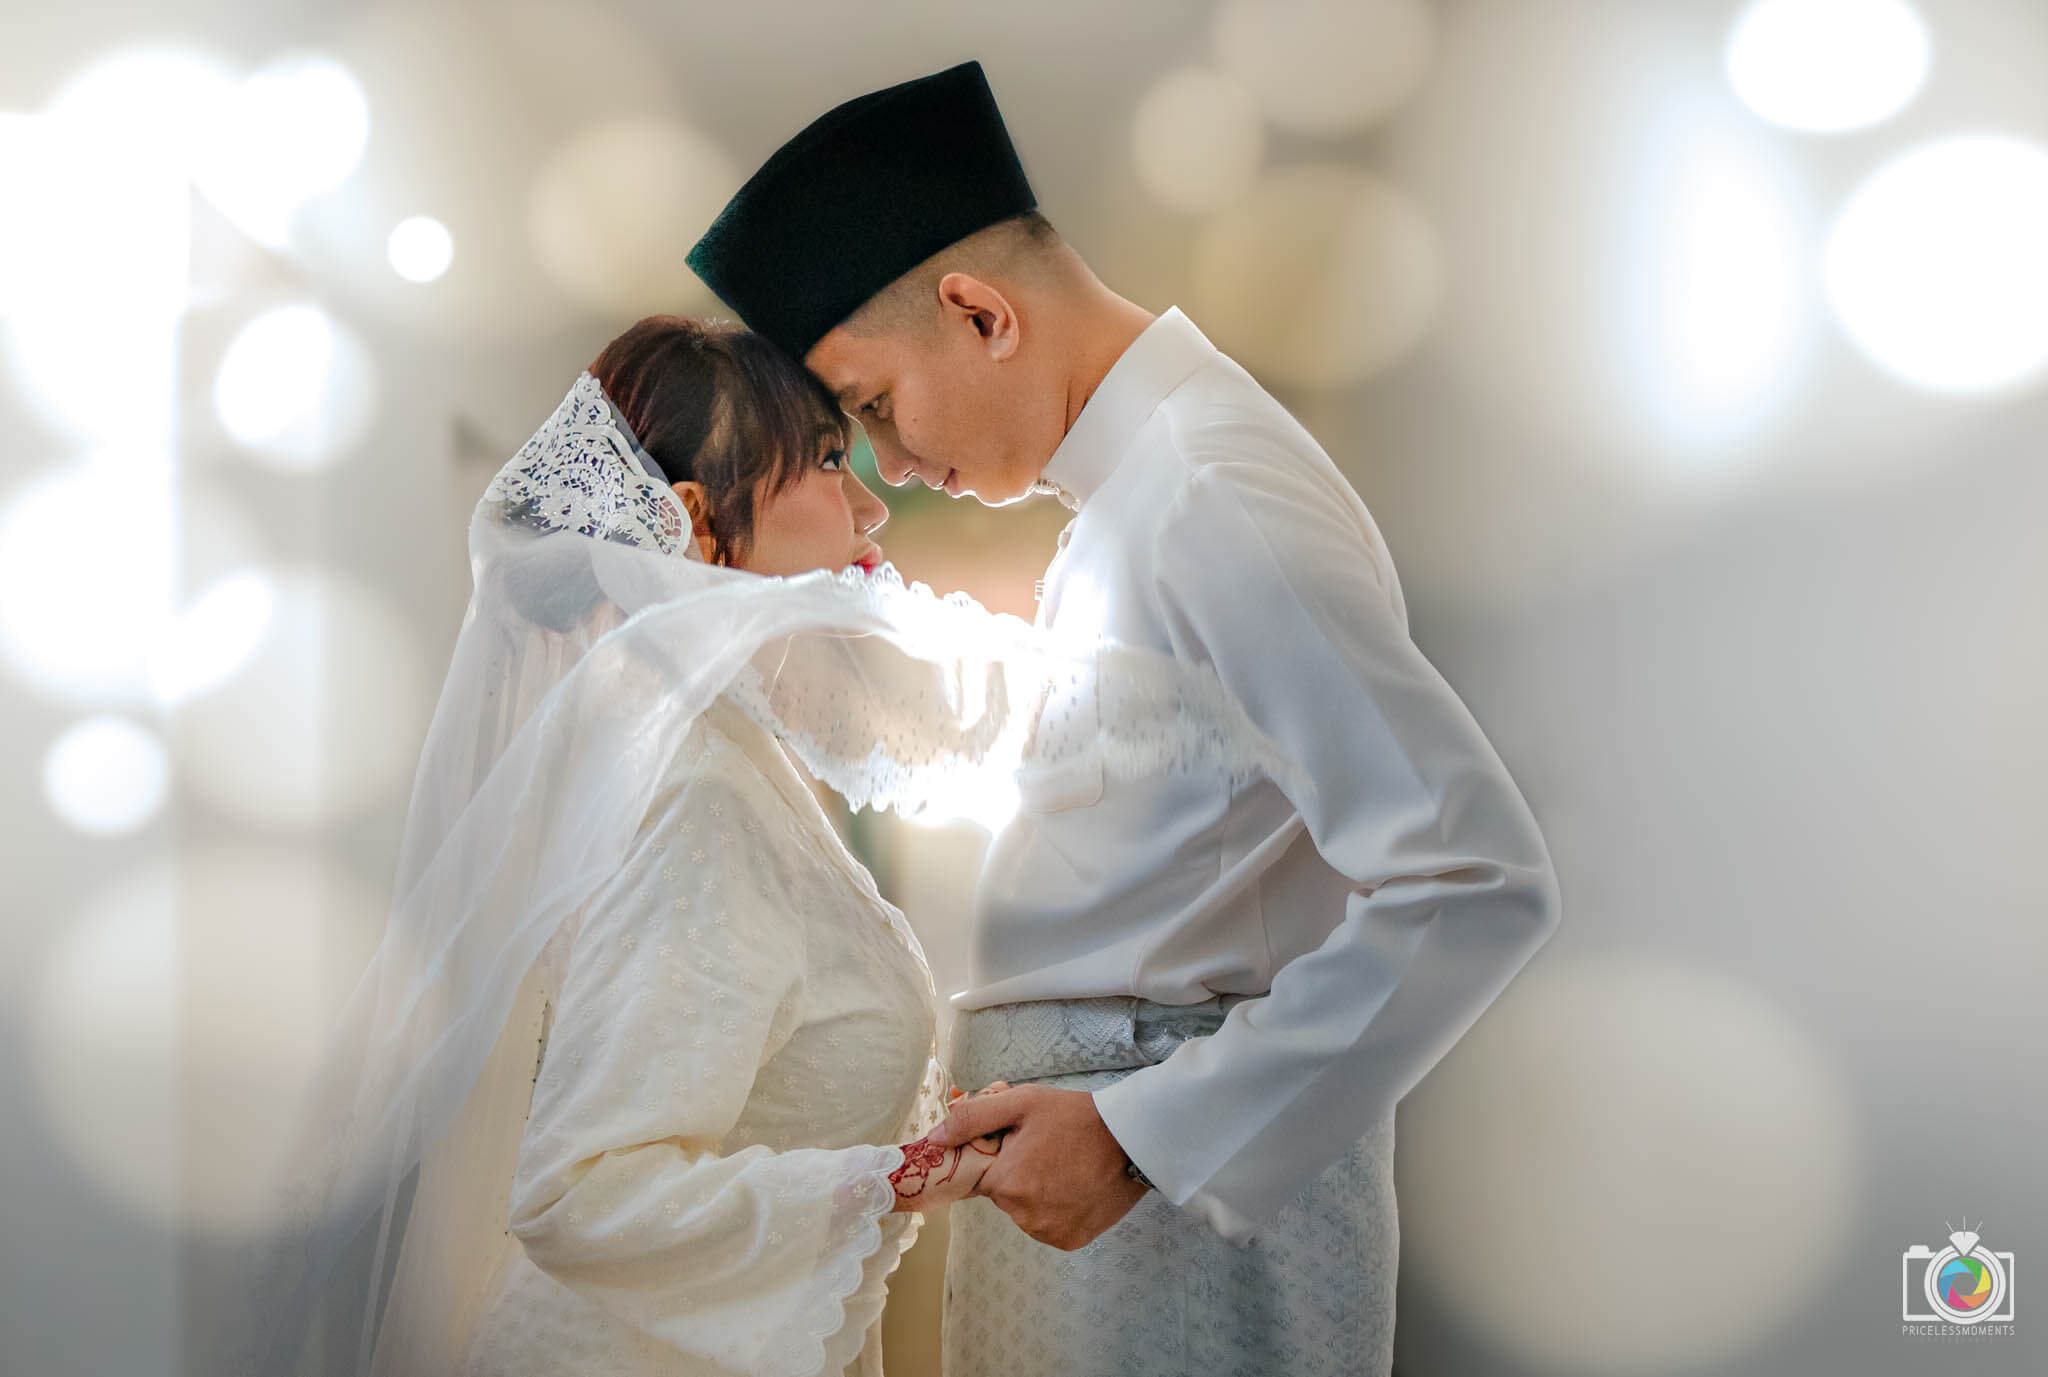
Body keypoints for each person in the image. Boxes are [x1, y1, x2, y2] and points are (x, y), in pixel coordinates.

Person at [196, 313, 1291, 1377]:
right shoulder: (693, 792)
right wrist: (912, 1176)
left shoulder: (715, 750)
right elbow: (581, 1191)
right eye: (827, 460)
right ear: (696, 521)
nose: (872, 504)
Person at [686, 61, 1563, 1376]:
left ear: (979, 313)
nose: (893, 466)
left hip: (1171, 1202)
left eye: (872, 407)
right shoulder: (1138, 499)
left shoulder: (1213, 494)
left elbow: (1472, 875)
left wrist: (1145, 1138)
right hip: (1105, 1169)